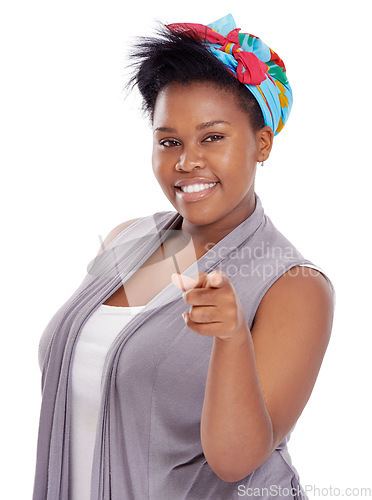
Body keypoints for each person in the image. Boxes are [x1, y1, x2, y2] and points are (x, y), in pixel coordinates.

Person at [32, 13, 335, 500]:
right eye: (169, 141)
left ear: (262, 144)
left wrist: (232, 339)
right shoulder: (126, 239)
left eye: (212, 137)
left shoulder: (295, 285)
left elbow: (236, 460)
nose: (186, 160)